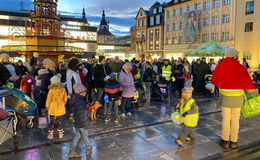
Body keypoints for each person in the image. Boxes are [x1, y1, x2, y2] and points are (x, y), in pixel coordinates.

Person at [212, 48, 256, 149]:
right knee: (236, 120)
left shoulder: (221, 66)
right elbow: (248, 83)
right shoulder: (241, 67)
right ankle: (234, 142)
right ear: (235, 56)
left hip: (225, 98)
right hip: (238, 98)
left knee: (226, 120)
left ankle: (225, 141)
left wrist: (222, 85)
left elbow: (214, 80)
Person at [69, 83, 92, 158]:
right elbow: (82, 113)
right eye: (84, 91)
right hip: (82, 121)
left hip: (77, 121)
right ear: (81, 92)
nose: (85, 93)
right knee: (85, 134)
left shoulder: (75, 98)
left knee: (78, 135)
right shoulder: (81, 101)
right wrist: (86, 122)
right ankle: (88, 148)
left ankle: (72, 151)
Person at [46, 74, 67, 140]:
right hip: (60, 107)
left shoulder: (51, 90)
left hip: (52, 108)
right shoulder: (63, 89)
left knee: (52, 121)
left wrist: (47, 106)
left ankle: (50, 135)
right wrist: (62, 104)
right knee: (59, 121)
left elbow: (48, 100)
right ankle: (60, 134)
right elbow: (65, 99)